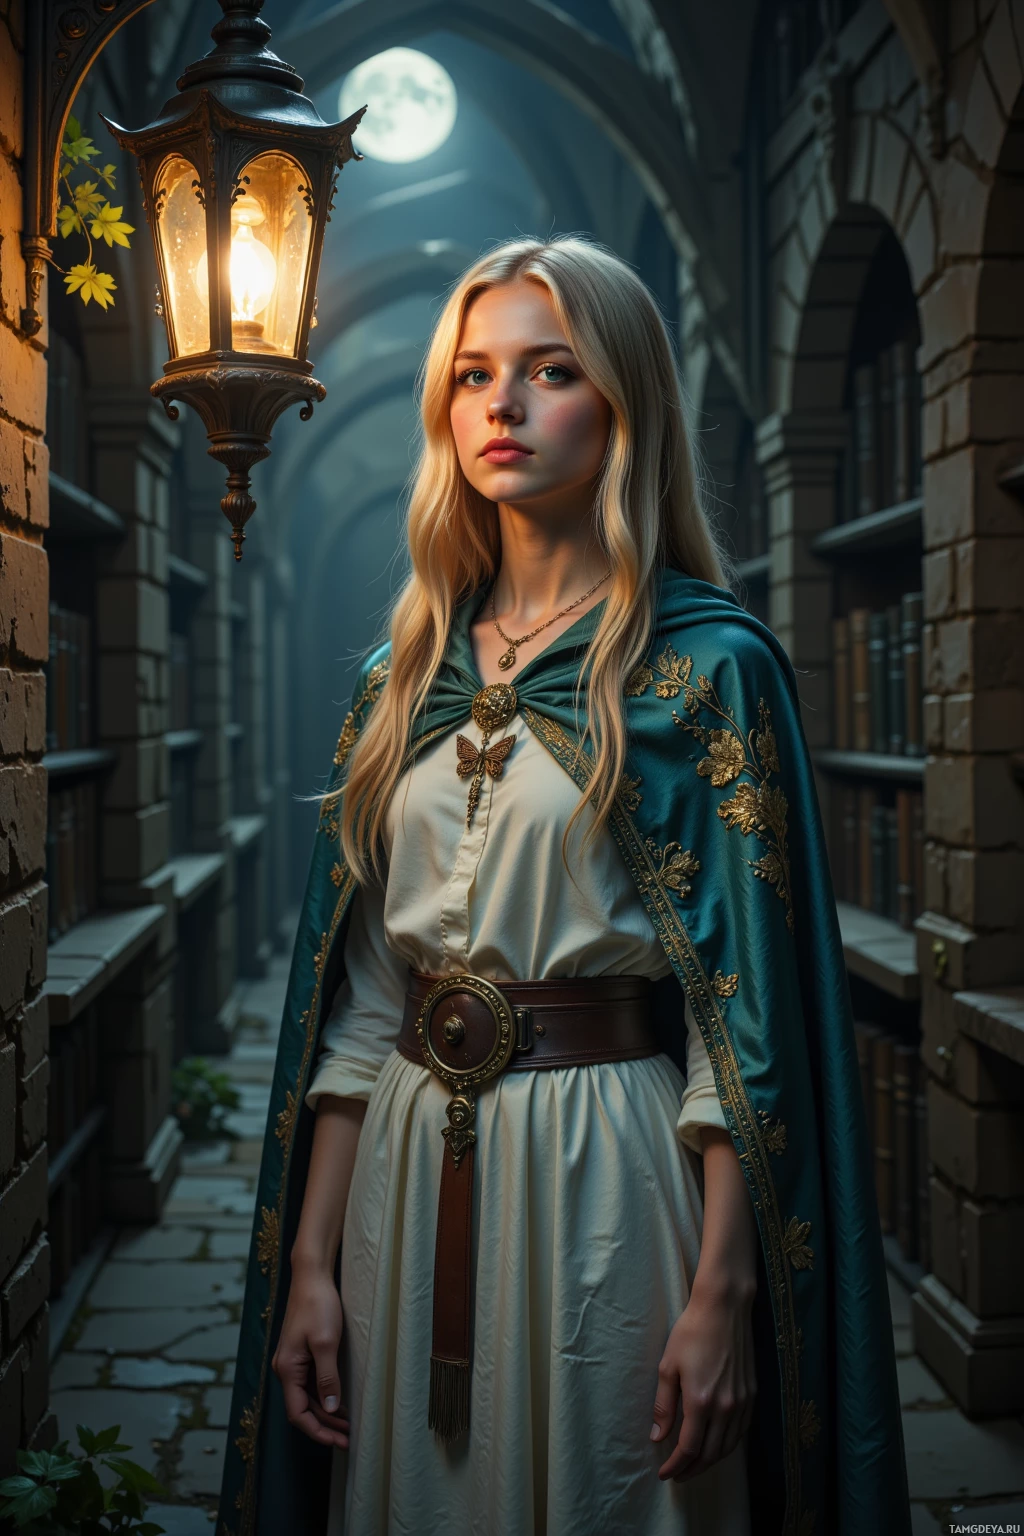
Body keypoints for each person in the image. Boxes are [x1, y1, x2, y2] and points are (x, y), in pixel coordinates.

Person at [218, 237, 910, 1536]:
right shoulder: (399, 681)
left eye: (551, 369)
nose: (505, 403)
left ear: (626, 402)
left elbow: (738, 1031)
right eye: (475, 374)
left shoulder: (702, 672)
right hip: (408, 1179)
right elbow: (361, 1008)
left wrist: (723, 1294)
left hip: (613, 1176)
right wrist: (310, 1265)